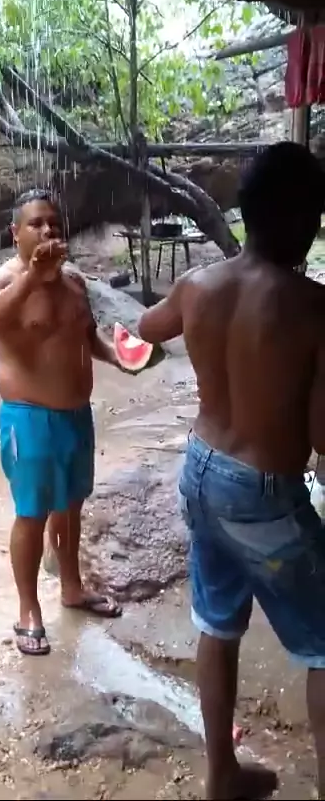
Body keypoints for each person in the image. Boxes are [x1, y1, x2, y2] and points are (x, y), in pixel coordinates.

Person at [137, 142, 325, 800]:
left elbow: (146, 327)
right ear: (307, 221)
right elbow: (322, 438)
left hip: (201, 470)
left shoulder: (199, 285)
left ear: (245, 211)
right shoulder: (314, 307)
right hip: (264, 494)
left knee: (217, 623)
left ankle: (221, 772)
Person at [0, 189, 123, 657]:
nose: (48, 230)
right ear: (15, 233)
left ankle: (72, 587)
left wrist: (120, 356)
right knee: (32, 515)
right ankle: (28, 609)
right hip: (29, 418)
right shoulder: (0, 281)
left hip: (77, 415)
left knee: (71, 507)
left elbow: (89, 336)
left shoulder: (74, 281)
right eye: (36, 223)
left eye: (54, 222)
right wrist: (31, 280)